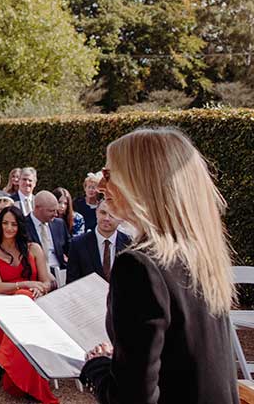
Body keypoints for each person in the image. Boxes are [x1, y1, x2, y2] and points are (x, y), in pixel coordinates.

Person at [80, 128, 238, 403]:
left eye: (109, 174)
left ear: (140, 181)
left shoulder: (139, 266)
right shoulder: (201, 254)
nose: (101, 186)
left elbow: (132, 397)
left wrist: (97, 367)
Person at [0, 206, 57, 403]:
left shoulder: (34, 249)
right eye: (5, 223)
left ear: (20, 226)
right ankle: (33, 389)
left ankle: (2, 361)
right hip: (5, 312)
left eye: (14, 224)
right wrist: (25, 284)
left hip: (36, 311)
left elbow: (46, 281)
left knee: (27, 308)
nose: (9, 228)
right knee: (24, 298)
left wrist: (41, 288)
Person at [66, 200, 129, 284]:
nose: (106, 218)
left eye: (112, 214)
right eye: (103, 213)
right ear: (96, 213)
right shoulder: (78, 244)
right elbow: (72, 282)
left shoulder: (130, 245)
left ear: (121, 218)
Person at [26, 191, 69, 272]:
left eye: (56, 210)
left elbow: (69, 248)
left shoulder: (59, 224)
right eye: (51, 211)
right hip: (36, 273)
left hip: (60, 270)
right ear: (37, 208)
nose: (56, 214)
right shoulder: (22, 226)